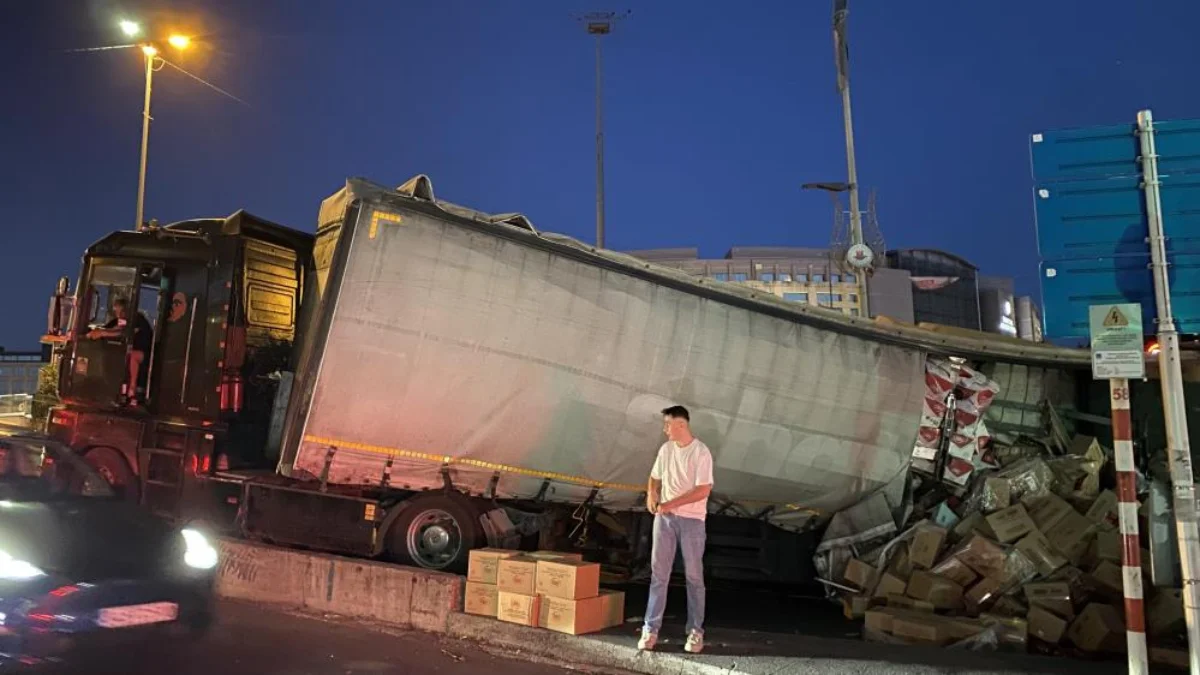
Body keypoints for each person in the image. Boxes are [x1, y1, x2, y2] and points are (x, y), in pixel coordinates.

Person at [639, 405, 714, 654]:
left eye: (668, 424)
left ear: (681, 424)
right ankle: (650, 628)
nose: (665, 429)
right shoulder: (666, 449)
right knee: (659, 574)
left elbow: (703, 489)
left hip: (692, 521)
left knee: (694, 576)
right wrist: (652, 492)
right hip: (665, 519)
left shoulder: (701, 452)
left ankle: (695, 631)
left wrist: (671, 503)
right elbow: (654, 475)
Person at [86, 297, 153, 406]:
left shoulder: (138, 319)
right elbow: (113, 328)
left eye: (121, 311)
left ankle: (132, 389)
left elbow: (125, 332)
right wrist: (95, 331)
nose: (118, 315)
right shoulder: (121, 320)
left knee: (132, 356)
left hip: (145, 356)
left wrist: (103, 333)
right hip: (124, 354)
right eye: (116, 311)